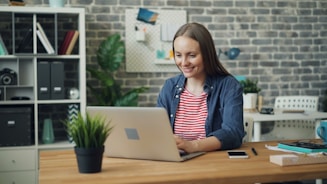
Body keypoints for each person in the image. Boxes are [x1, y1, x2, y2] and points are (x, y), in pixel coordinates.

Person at [157, 22, 244, 153]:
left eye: (192, 55)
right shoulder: (170, 86)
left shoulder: (229, 86)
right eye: (179, 55)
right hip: (176, 162)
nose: (184, 63)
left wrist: (193, 146)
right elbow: (157, 130)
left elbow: (233, 133)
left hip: (213, 163)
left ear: (207, 54)